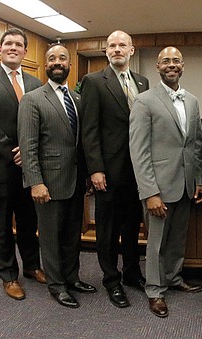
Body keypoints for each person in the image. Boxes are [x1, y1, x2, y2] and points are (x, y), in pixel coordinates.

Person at [18, 44, 97, 309]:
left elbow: (81, 142)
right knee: (51, 237)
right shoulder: (33, 98)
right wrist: (35, 182)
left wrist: (86, 174)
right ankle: (57, 285)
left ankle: (72, 278)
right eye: (52, 58)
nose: (57, 62)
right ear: (46, 64)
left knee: (72, 234)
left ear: (69, 65)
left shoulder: (77, 99)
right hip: (48, 183)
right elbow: (28, 145)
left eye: (62, 58)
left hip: (76, 181)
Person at [129, 46, 202, 318]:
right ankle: (154, 290)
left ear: (183, 66)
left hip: (185, 185)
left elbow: (196, 145)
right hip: (158, 187)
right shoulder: (144, 101)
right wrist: (150, 192)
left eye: (176, 60)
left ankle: (173, 278)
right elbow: (138, 151)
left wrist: (199, 180)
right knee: (156, 242)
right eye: (166, 61)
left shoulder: (193, 101)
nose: (171, 64)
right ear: (157, 67)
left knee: (177, 238)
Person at [0, 28, 45, 301]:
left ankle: (32, 266)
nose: (13, 47)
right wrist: (12, 151)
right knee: (2, 224)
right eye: (8, 43)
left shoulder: (36, 82)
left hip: (30, 168)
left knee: (29, 220)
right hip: (0, 166)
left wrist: (28, 155)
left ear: (25, 51)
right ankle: (8, 275)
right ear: (0, 48)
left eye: (18, 44)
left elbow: (42, 122)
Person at [80, 30, 148, 308]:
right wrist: (95, 169)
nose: (117, 49)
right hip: (107, 171)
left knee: (132, 226)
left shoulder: (143, 82)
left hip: (138, 172)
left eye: (122, 45)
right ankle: (111, 280)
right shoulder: (94, 82)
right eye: (112, 45)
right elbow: (89, 130)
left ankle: (132, 273)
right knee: (107, 230)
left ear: (132, 50)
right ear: (106, 51)